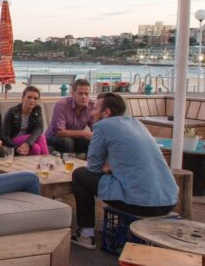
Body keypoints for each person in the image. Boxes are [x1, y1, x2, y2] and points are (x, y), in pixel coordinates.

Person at [70, 93, 178, 249]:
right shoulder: (137, 123)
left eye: (95, 108)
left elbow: (93, 167)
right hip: (169, 200)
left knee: (80, 175)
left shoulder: (103, 126)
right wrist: (110, 167)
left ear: (106, 113)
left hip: (140, 203)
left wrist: (107, 168)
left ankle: (86, 235)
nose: (91, 113)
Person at [47, 79, 95, 155]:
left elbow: (96, 128)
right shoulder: (62, 105)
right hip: (53, 138)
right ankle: (67, 165)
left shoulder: (92, 105)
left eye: (87, 94)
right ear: (73, 94)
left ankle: (90, 165)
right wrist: (84, 133)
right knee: (67, 142)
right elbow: (59, 132)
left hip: (75, 139)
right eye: (80, 93)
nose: (84, 97)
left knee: (92, 141)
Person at [2, 85, 49, 156]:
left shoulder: (37, 110)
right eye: (29, 97)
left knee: (36, 148)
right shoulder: (12, 111)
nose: (32, 100)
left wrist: (28, 143)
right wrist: (16, 147)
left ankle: (35, 166)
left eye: (35, 98)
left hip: (29, 139)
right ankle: (47, 160)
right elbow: (5, 136)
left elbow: (39, 128)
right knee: (41, 137)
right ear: (23, 98)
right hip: (14, 139)